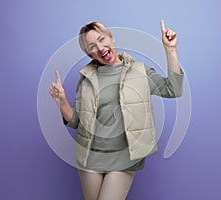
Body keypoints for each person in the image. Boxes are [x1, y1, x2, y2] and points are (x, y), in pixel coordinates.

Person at [49, 20, 184, 200]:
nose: (100, 47)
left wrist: (171, 50)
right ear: (89, 54)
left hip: (125, 158)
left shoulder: (139, 71)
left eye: (101, 39)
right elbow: (76, 122)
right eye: (92, 46)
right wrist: (62, 101)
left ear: (111, 38)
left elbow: (173, 89)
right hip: (90, 158)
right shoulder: (86, 78)